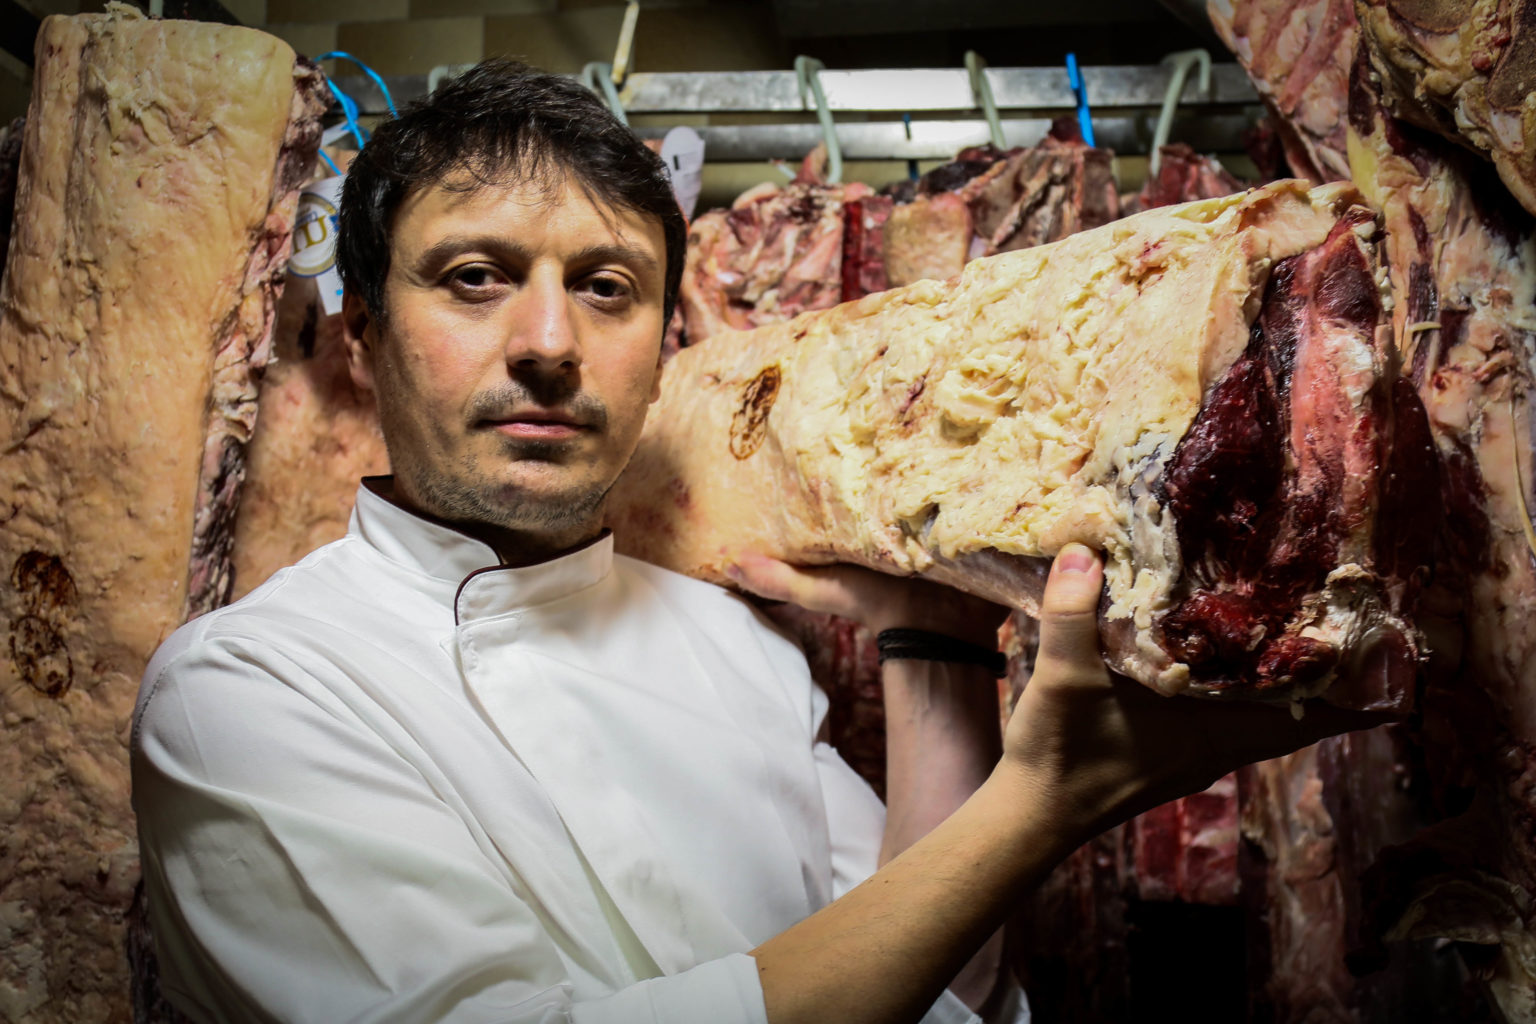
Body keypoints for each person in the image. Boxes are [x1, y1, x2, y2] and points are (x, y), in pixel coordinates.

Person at [131, 59, 1383, 1024]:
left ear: (663, 337)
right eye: (473, 276)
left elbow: (929, 960)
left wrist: (930, 632)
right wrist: (1046, 804)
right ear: (360, 341)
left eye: (608, 287)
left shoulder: (733, 643)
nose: (551, 342)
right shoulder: (246, 689)